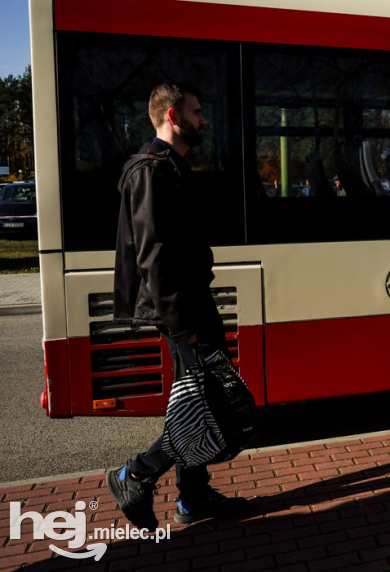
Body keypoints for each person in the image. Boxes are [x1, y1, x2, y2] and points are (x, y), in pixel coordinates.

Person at [107, 83, 247, 530]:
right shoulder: (151, 171)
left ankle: (193, 495)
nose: (203, 119)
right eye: (197, 111)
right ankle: (135, 475)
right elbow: (153, 256)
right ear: (172, 115)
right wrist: (181, 324)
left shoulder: (171, 167)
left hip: (192, 305)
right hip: (183, 312)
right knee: (206, 401)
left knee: (201, 399)